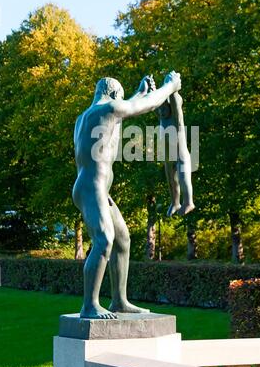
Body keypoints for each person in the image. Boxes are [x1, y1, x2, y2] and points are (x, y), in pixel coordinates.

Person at [72, 71, 181, 319]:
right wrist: (169, 87)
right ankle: (90, 305)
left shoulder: (85, 117)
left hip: (94, 187)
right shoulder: (107, 107)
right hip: (93, 187)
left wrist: (141, 91)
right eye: (120, 99)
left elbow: (129, 105)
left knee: (122, 240)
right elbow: (140, 106)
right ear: (113, 95)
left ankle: (119, 301)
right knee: (104, 241)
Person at [147, 78, 194, 217]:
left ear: (169, 107)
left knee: (183, 178)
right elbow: (154, 103)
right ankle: (175, 202)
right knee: (171, 180)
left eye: (164, 109)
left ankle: (188, 202)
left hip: (181, 155)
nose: (161, 112)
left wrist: (172, 88)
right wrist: (152, 88)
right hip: (169, 157)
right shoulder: (162, 117)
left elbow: (176, 104)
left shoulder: (175, 117)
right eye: (160, 110)